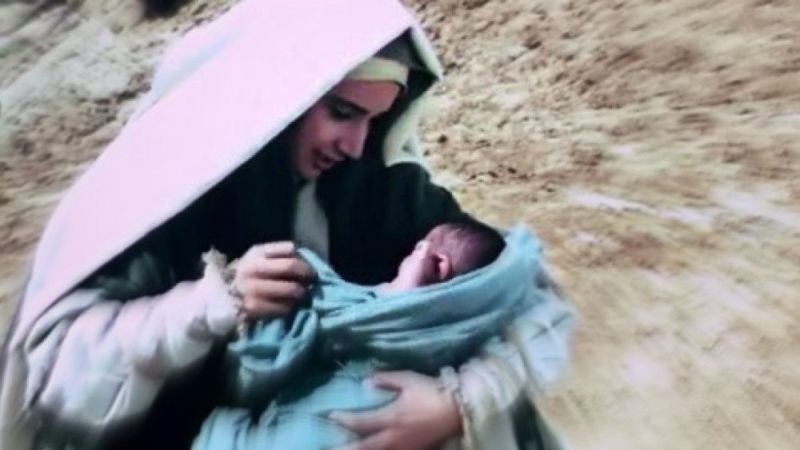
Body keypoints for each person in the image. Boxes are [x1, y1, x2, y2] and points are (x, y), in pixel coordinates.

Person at [0, 1, 574, 449]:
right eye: (342, 113)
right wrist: (210, 305)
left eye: (374, 121)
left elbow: (526, 295)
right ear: (280, 95)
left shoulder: (381, 189)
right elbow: (59, 377)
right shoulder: (164, 196)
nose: (355, 146)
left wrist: (459, 403)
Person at [192, 221, 543, 450]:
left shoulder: (384, 333)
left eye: (415, 250)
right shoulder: (466, 337)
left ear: (436, 264)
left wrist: (459, 405)